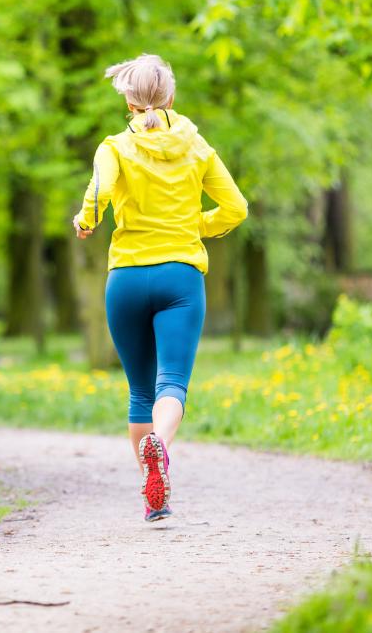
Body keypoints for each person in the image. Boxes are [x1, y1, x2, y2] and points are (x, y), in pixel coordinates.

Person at [73, 54, 247, 522]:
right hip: (180, 278)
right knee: (172, 381)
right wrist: (194, 226)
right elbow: (235, 208)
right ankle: (161, 449)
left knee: (138, 392)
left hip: (126, 278)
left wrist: (86, 221)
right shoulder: (196, 146)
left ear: (129, 100)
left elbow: (99, 192)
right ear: (170, 97)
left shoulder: (113, 147)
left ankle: (156, 498)